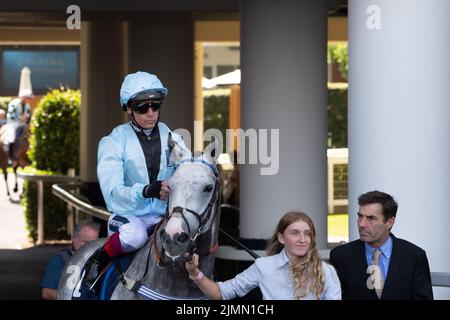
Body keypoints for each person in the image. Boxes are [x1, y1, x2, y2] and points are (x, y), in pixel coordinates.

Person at [83, 71, 186, 293]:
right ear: (128, 108)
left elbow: (187, 168)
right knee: (135, 236)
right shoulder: (113, 142)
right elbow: (112, 193)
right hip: (128, 217)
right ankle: (98, 260)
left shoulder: (172, 137)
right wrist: (147, 190)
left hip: (164, 215)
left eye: (155, 105)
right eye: (142, 107)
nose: (150, 113)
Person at [185, 211, 342, 300]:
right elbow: (220, 293)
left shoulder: (326, 271)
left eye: (307, 234)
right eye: (295, 233)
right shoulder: (264, 266)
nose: (302, 239)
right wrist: (194, 273)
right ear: (281, 238)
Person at [330, 190, 433, 300]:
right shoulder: (341, 256)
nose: (362, 224)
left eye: (371, 218)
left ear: (389, 222)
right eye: (360, 216)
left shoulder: (414, 257)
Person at [40, 220, 100, 300]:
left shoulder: (99, 261)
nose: (91, 248)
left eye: (95, 243)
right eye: (86, 242)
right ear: (74, 238)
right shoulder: (60, 260)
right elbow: (47, 293)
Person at [2, 89, 32, 164]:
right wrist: (20, 118)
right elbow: (11, 114)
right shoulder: (14, 103)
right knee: (11, 138)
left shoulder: (27, 105)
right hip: (13, 123)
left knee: (29, 136)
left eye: (28, 98)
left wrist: (26, 119)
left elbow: (28, 115)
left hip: (22, 123)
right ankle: (9, 156)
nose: (27, 99)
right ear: (22, 97)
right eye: (26, 97)